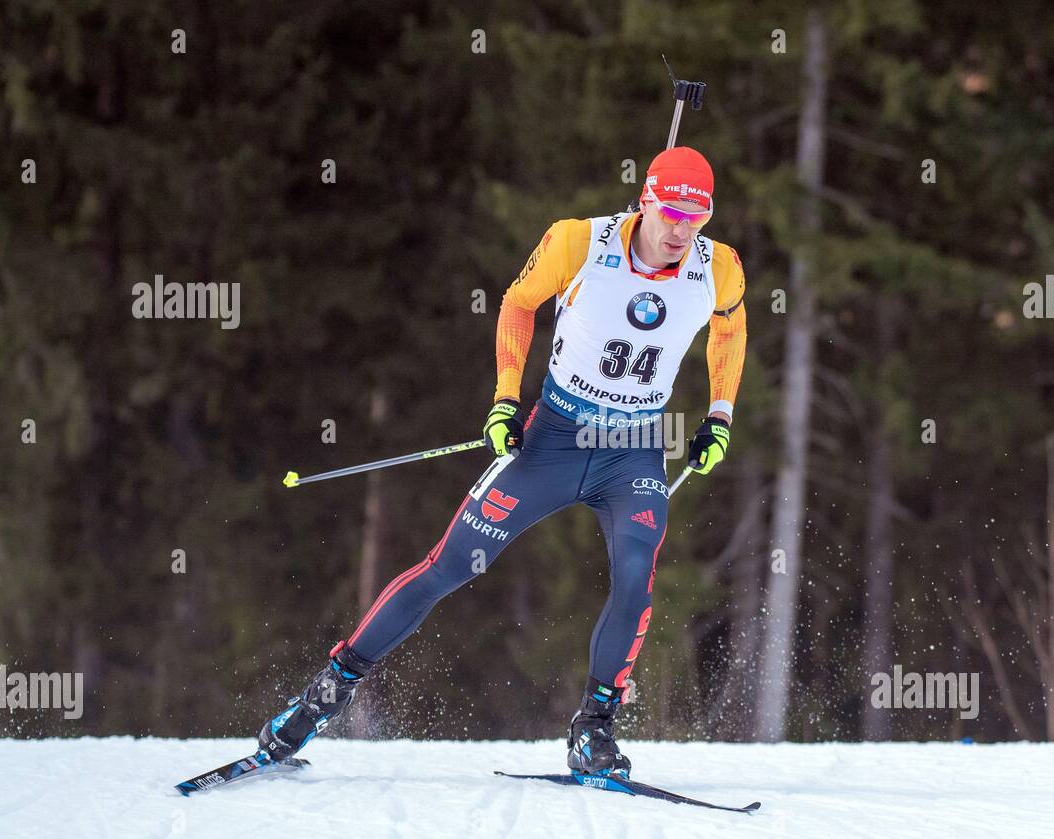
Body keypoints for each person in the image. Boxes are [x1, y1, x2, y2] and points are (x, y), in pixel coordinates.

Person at [256, 146, 748, 777]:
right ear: (647, 199)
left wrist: (720, 414)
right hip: (555, 438)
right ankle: (322, 697)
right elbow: (518, 304)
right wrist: (505, 401)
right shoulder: (579, 243)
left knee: (635, 577)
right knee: (450, 567)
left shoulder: (721, 267)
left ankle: (594, 728)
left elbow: (729, 330)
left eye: (697, 216)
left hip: (633, 452)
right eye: (673, 211)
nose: (682, 228)